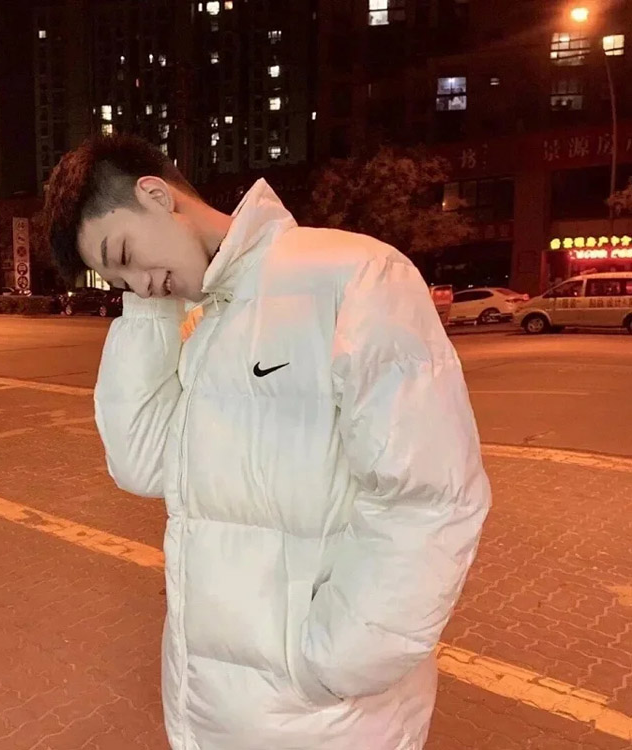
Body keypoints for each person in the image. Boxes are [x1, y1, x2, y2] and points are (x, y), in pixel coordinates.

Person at [45, 134, 490, 750]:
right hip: (211, 708)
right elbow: (143, 463)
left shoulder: (351, 275)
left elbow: (427, 494)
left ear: (156, 195)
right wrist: (149, 308)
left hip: (324, 718)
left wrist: (341, 661)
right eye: (116, 280)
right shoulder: (208, 317)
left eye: (124, 254)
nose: (138, 285)